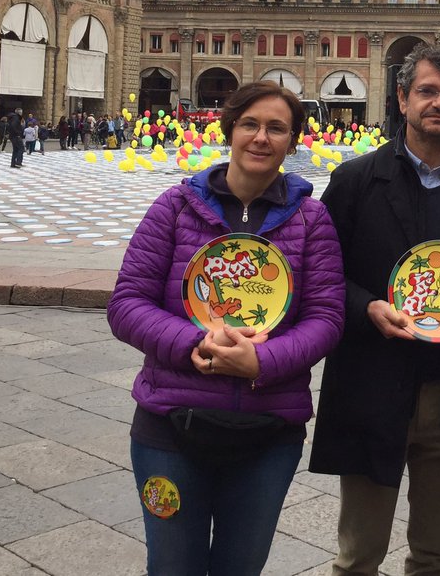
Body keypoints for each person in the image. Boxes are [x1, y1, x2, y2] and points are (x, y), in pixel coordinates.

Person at [107, 81, 344, 575]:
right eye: (250, 124)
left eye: (276, 128)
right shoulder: (174, 208)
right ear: (229, 129)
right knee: (172, 567)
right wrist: (193, 342)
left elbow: (326, 317)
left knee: (241, 567)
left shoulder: (312, 219)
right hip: (170, 427)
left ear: (292, 141)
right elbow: (127, 303)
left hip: (268, 432)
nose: (261, 137)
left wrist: (262, 361)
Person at [310, 45, 440, 575]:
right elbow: (322, 275)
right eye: (427, 91)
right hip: (374, 381)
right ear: (402, 99)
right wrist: (367, 307)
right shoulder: (355, 180)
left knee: (436, 554)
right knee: (358, 554)